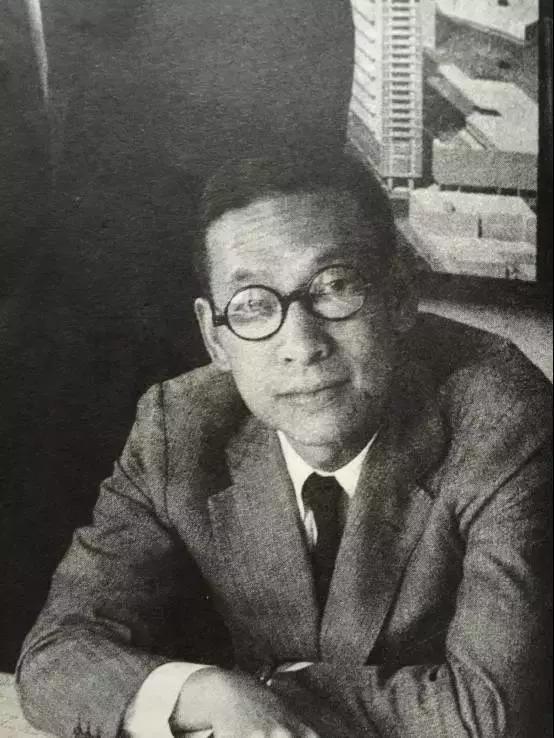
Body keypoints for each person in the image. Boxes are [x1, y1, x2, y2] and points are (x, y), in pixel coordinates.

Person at [16, 154, 552, 738]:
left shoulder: (503, 418)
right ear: (213, 337)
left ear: (400, 296)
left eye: (335, 286)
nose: (301, 345)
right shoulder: (178, 426)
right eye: (252, 304)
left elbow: (492, 713)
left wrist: (265, 693)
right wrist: (205, 692)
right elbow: (57, 654)